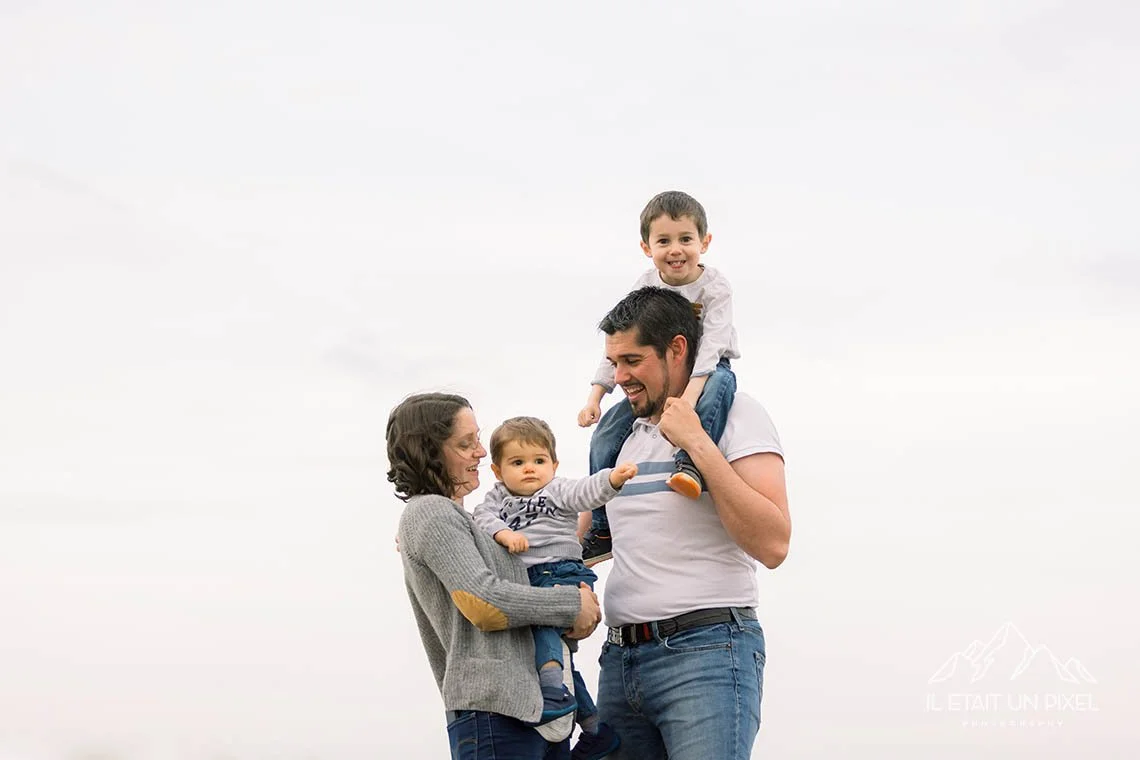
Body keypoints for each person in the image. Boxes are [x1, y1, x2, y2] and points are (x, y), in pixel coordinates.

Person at [587, 287, 791, 760]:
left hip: (708, 656)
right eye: (613, 363)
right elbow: (578, 539)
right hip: (619, 662)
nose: (619, 377)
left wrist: (697, 444)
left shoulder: (739, 415)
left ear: (677, 349)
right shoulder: (620, 434)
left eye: (632, 361)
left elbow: (774, 544)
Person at [389, 393, 603, 760]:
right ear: (431, 451)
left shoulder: (469, 523)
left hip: (534, 714)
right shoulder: (430, 513)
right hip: (494, 716)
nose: (480, 452)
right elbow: (484, 603)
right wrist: (572, 603)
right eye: (465, 444)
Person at [577, 190, 740, 565]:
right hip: (658, 377)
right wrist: (596, 396)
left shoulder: (715, 288)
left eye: (686, 239)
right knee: (605, 434)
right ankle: (602, 528)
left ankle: (690, 465)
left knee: (717, 392)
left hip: (711, 366)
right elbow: (623, 341)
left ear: (704, 242)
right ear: (646, 247)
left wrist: (689, 397)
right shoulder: (646, 286)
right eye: (663, 241)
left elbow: (713, 344)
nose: (675, 249)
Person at [473, 416, 636, 760]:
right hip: (529, 579)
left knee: (542, 625)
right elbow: (480, 521)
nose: (530, 469)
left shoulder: (556, 490)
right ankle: (593, 727)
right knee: (558, 657)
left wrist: (612, 479)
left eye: (539, 460)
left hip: (561, 571)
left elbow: (585, 491)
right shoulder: (496, 498)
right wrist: (504, 534)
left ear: (554, 464)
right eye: (517, 462)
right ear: (498, 471)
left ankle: (551, 692)